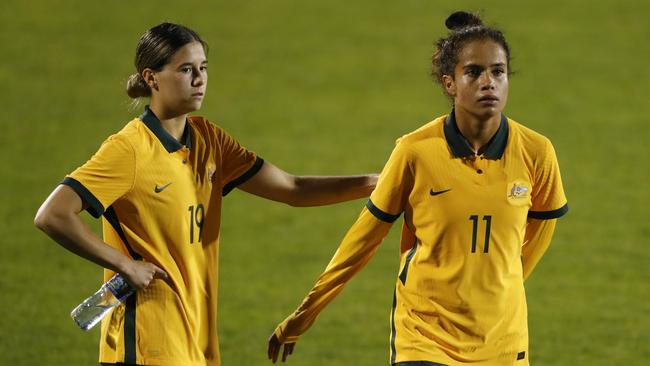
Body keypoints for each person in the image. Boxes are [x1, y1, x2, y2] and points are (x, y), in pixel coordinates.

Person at [34, 23, 378, 366]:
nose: (199, 79)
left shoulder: (210, 140)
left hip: (196, 341)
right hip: (146, 344)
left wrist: (377, 181)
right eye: (186, 70)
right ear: (152, 78)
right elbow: (53, 215)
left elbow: (293, 189)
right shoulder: (130, 150)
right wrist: (124, 264)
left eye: (203, 68)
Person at [268, 11, 568, 366]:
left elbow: (541, 231)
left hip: (502, 342)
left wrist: (499, 282)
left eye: (498, 71)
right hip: (424, 338)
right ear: (449, 83)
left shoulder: (536, 152)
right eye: (473, 72)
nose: (489, 82)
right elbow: (361, 242)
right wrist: (305, 313)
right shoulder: (414, 152)